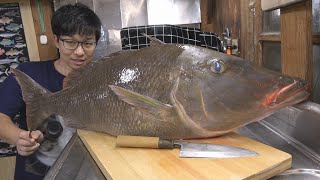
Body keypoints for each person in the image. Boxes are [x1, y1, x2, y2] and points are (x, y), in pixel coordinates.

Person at [0, 3, 101, 180]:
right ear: (56, 40)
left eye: (87, 43)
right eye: (70, 42)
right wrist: (19, 138)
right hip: (37, 174)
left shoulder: (101, 80)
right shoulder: (29, 74)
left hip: (86, 172)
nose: (79, 52)